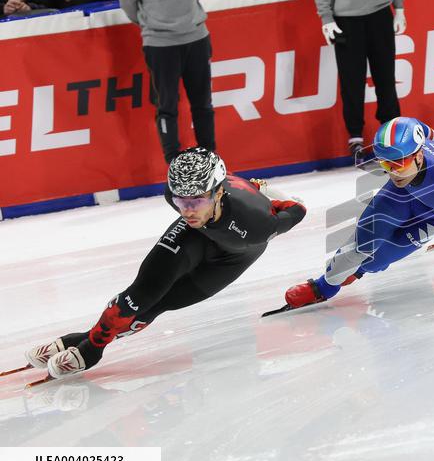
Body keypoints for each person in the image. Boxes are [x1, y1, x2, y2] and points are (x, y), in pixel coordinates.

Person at [24, 148, 307, 379]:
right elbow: (197, 197)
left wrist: (269, 192)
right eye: (180, 200)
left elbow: (299, 209)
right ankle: (91, 348)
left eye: (196, 200)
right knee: (142, 294)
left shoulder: (256, 224)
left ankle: (84, 340)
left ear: (218, 193)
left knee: (160, 304)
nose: (187, 209)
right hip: (198, 236)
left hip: (234, 256)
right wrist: (200, 201)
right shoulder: (180, 197)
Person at [283, 117, 434, 311]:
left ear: (419, 156)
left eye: (397, 164)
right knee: (361, 245)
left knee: (375, 260)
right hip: (403, 195)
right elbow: (422, 129)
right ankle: (324, 287)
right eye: (384, 164)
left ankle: (357, 272)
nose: (392, 172)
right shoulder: (406, 154)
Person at [118, 0, 216, 165]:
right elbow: (127, 1)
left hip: (196, 36)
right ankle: (174, 165)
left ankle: (210, 160)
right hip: (160, 44)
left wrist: (189, 16)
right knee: (167, 107)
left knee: (203, 104)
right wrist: (153, 23)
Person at [312, 0, 406, 163]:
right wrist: (326, 17)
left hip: (380, 12)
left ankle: (392, 133)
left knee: (385, 76)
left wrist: (399, 7)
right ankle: (355, 138)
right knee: (351, 82)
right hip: (345, 20)